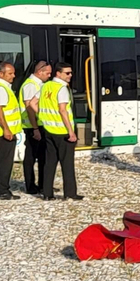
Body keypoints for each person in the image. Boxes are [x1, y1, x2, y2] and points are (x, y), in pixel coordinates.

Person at [38, 63, 81, 201]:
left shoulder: (45, 86)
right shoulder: (61, 88)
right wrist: (71, 132)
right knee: (67, 163)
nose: (70, 75)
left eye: (70, 73)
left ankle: (47, 193)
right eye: (67, 73)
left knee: (49, 162)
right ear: (58, 73)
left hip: (48, 129)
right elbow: (63, 110)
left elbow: (33, 102)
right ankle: (70, 193)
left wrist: (42, 118)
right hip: (62, 131)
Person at [0, 61, 21, 200]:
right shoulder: (1, 88)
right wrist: (6, 129)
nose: (13, 76)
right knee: (5, 163)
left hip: (2, 131)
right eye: (10, 73)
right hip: (5, 132)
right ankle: (3, 191)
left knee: (0, 161)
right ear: (1, 74)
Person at [19, 60, 51, 195]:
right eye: (48, 73)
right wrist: (35, 128)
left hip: (39, 124)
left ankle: (43, 184)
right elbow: (29, 108)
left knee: (43, 156)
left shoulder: (38, 84)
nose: (49, 75)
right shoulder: (30, 86)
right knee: (31, 157)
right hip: (33, 125)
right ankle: (31, 185)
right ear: (40, 72)